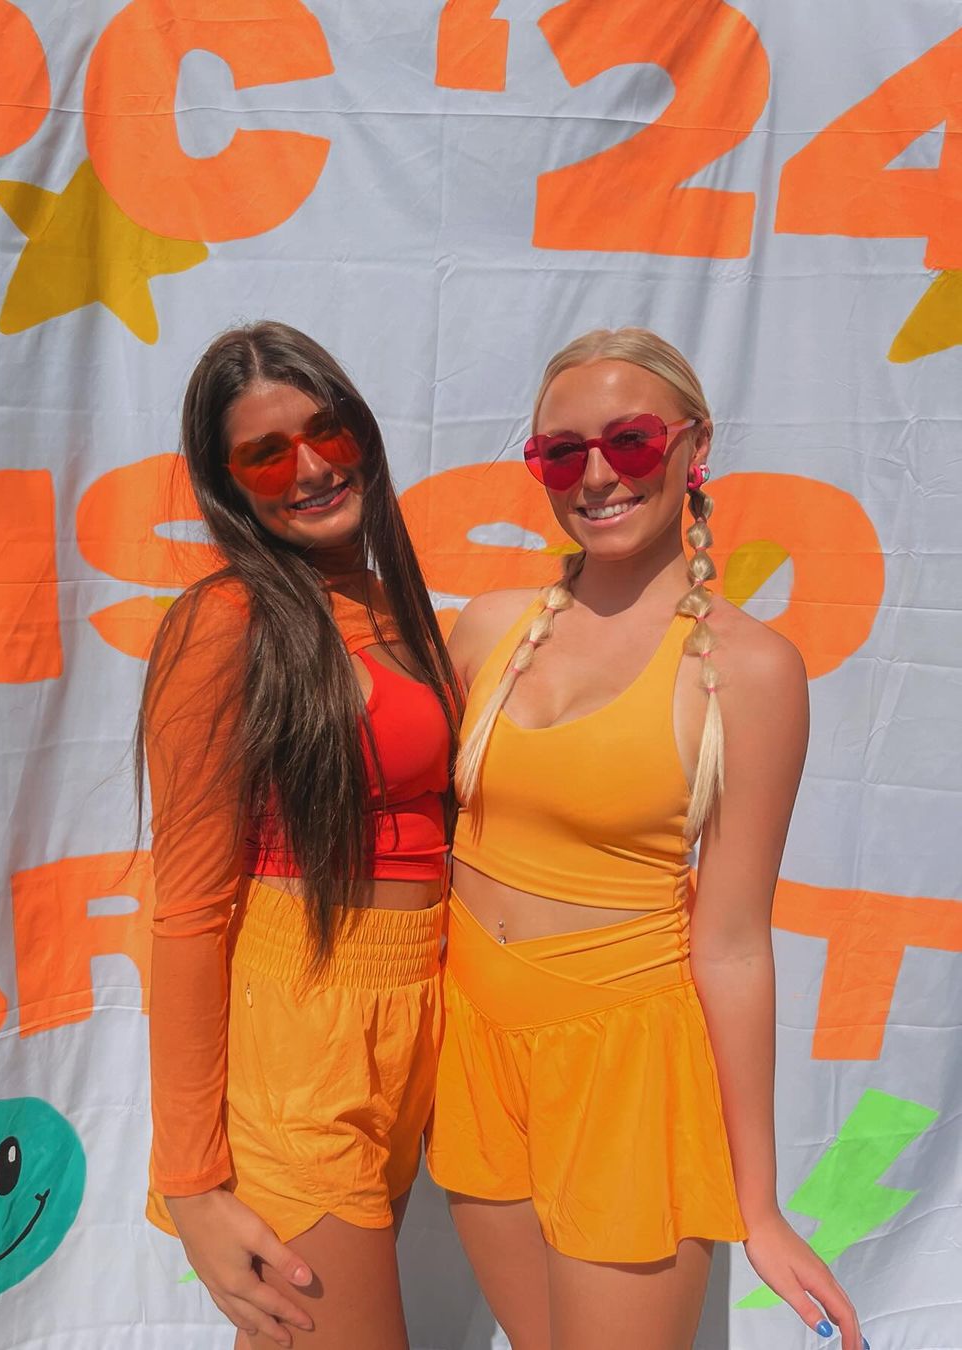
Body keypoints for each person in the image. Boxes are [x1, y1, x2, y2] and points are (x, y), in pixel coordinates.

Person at [426, 328, 867, 1350]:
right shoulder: (487, 628)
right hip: (476, 1051)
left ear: (692, 445)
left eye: (628, 441)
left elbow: (734, 944)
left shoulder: (748, 671)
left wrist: (760, 1207)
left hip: (627, 1070)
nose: (595, 477)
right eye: (560, 454)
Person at [139, 322, 460, 1349]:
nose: (313, 468)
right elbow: (188, 911)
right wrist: (191, 1182)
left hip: (414, 1011)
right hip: (301, 1022)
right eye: (267, 454)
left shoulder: (397, 607)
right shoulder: (226, 621)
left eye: (328, 430)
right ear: (228, 485)